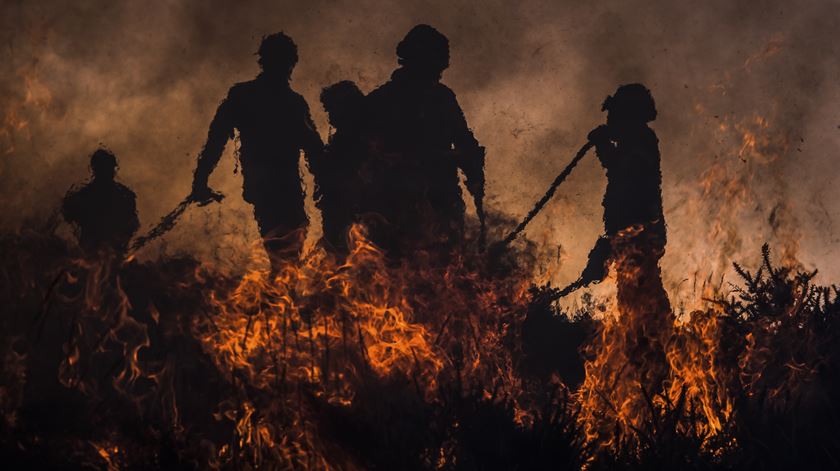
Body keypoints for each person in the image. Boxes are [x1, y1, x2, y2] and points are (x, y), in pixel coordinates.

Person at [189, 32, 323, 269]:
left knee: (285, 258)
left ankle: (282, 298)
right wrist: (200, 180)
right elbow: (315, 150)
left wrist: (200, 180)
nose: (283, 66)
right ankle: (281, 298)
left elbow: (215, 140)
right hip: (276, 187)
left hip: (274, 187)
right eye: (279, 60)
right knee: (285, 258)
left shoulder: (252, 97)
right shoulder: (282, 101)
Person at [364, 24, 486, 259]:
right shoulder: (383, 101)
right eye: (434, 64)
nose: (438, 72)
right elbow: (367, 154)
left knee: (446, 269)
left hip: (441, 202)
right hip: (395, 206)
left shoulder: (443, 98)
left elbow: (463, 139)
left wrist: (473, 168)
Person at [580, 83, 672, 318]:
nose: (610, 120)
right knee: (633, 298)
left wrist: (602, 145)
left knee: (642, 298)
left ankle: (653, 342)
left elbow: (623, 170)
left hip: (639, 237)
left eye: (615, 114)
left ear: (628, 115)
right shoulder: (635, 141)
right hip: (631, 236)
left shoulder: (642, 141)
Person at [315, 80, 367, 255]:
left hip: (350, 211)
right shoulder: (344, 137)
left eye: (332, 109)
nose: (330, 116)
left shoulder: (357, 140)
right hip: (339, 209)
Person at [62, 148, 140, 256]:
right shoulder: (124, 195)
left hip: (107, 253)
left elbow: (132, 224)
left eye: (108, 168)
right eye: (104, 168)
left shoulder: (124, 195)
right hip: (92, 253)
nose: (108, 172)